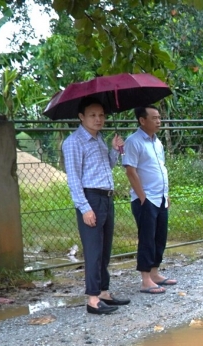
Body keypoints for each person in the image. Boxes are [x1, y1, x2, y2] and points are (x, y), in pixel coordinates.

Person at [62, 97, 131, 315]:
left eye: (101, 115)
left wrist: (115, 150)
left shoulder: (99, 138)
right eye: (92, 115)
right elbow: (73, 178)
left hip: (106, 197)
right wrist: (85, 208)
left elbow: (106, 166)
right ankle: (92, 299)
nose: (98, 119)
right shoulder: (74, 142)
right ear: (81, 117)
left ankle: (103, 292)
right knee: (93, 250)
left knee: (104, 249)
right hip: (91, 198)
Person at [123, 105, 176, 294]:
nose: (158, 121)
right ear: (142, 120)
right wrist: (143, 197)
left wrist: (166, 194)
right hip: (145, 199)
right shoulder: (133, 142)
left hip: (160, 196)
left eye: (159, 117)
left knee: (159, 236)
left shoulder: (157, 142)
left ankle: (155, 273)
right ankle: (145, 279)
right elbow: (131, 170)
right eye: (154, 118)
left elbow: (160, 168)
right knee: (146, 238)